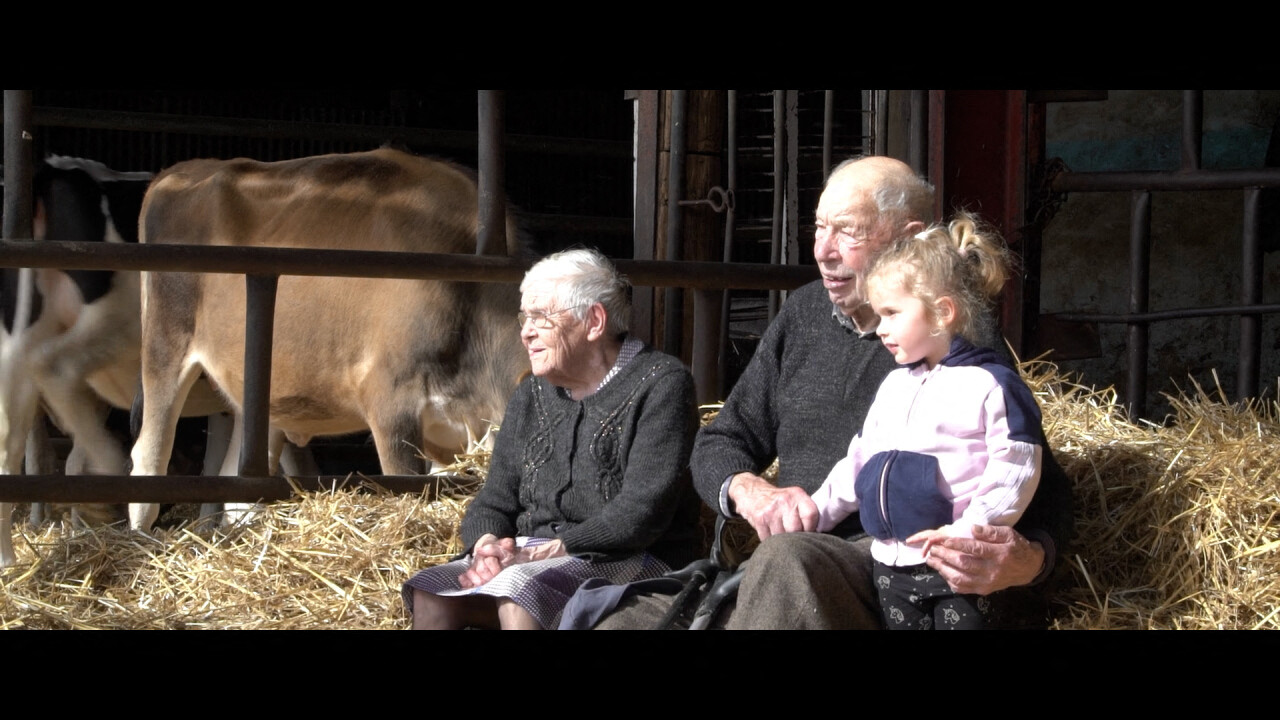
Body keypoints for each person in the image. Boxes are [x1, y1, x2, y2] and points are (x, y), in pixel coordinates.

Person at [591, 155, 1074, 630]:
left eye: (848, 231)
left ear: (906, 240)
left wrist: (1028, 560)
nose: (823, 249)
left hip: (897, 566)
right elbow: (721, 441)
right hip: (791, 572)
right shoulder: (803, 314)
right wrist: (751, 492)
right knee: (622, 619)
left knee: (787, 559)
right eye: (820, 228)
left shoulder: (955, 338)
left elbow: (1043, 485)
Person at [401, 247, 701, 630]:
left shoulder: (661, 385)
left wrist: (549, 551)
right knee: (432, 590)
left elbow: (640, 514)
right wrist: (487, 548)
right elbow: (493, 500)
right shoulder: (531, 394)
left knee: (518, 588)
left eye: (541, 317)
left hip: (631, 556)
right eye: (524, 317)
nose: (526, 331)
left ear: (593, 321)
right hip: (533, 558)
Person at [810, 212, 1047, 630]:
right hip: (891, 563)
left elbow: (1016, 466)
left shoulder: (991, 385)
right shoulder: (894, 385)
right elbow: (861, 460)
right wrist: (816, 512)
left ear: (942, 312)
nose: (881, 329)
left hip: (959, 566)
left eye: (892, 313)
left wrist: (971, 532)